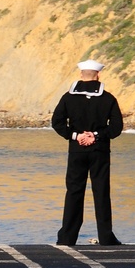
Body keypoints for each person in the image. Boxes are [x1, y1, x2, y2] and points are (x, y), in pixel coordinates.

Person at [51, 59, 124, 246]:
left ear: (81, 75)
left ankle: (67, 237)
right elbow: (116, 127)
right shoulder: (108, 98)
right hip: (99, 150)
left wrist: (76, 136)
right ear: (98, 75)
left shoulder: (68, 97)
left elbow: (57, 122)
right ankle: (106, 237)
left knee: (74, 192)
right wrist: (96, 135)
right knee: (101, 192)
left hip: (77, 151)